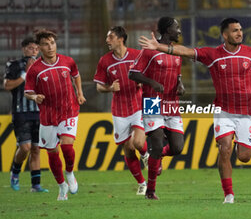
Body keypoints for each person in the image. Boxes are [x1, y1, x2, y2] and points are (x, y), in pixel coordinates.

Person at [138, 17, 251, 204]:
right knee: (224, 149)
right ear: (224, 35)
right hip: (157, 101)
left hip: (242, 111)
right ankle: (228, 195)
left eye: (240, 30)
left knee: (243, 156)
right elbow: (185, 51)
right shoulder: (212, 54)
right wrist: (157, 47)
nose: (240, 33)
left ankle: (157, 156)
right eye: (235, 30)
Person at [24, 29, 86, 201]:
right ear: (39, 47)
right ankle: (61, 185)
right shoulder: (34, 69)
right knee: (52, 152)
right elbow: (27, 92)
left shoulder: (67, 61)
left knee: (67, 147)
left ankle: (70, 173)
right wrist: (35, 96)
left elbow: (76, 75)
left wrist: (79, 93)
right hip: (48, 116)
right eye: (45, 44)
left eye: (52, 42)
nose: (50, 47)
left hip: (69, 110)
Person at [129, 17, 185, 200]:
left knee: (177, 148)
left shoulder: (176, 52)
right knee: (157, 142)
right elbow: (133, 73)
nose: (179, 31)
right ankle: (151, 191)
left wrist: (180, 85)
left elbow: (177, 75)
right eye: (176, 28)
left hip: (171, 103)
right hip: (152, 101)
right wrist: (152, 82)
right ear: (168, 30)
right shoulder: (149, 51)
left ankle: (157, 156)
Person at [93, 26, 149, 195]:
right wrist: (110, 88)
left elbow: (150, 76)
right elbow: (99, 87)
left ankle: (146, 155)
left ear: (120, 39)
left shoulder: (136, 55)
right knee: (128, 149)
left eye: (110, 37)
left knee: (138, 143)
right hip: (119, 110)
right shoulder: (105, 61)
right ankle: (142, 183)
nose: (107, 40)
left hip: (138, 105)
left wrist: (143, 82)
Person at [4, 37, 48, 193]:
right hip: (21, 112)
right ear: (23, 49)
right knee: (25, 147)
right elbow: (7, 85)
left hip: (39, 112)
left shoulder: (44, 65)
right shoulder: (14, 65)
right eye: (30, 48)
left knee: (36, 149)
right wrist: (25, 74)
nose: (34, 51)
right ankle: (15, 172)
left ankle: (36, 185)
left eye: (36, 49)